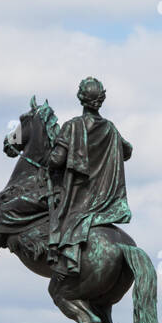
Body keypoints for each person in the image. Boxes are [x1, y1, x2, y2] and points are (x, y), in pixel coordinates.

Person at [46, 77, 134, 277]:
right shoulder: (111, 129)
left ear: (81, 98)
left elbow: (56, 161)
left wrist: (52, 150)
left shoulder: (72, 126)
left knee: (57, 217)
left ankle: (62, 257)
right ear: (101, 99)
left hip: (79, 202)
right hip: (106, 204)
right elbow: (127, 151)